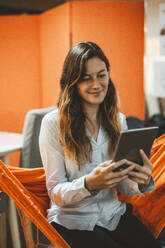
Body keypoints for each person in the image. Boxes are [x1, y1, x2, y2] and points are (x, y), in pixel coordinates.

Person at [39, 41, 160, 248]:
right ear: (73, 82)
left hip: (113, 214)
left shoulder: (118, 120)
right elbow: (55, 192)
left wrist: (141, 179)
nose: (96, 85)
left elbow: (124, 187)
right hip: (72, 222)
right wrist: (88, 184)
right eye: (86, 78)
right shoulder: (53, 124)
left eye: (101, 75)